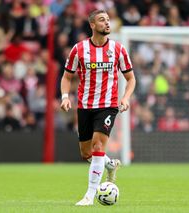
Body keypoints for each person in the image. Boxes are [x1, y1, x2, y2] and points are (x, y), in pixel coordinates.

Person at [60, 9, 136, 206]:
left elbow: (130, 79)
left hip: (108, 106)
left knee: (98, 145)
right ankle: (110, 165)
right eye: (102, 20)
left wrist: (125, 98)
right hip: (85, 105)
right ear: (92, 25)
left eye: (108, 20)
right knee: (87, 153)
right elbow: (67, 76)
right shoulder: (79, 49)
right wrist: (65, 96)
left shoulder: (118, 49)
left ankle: (89, 196)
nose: (107, 23)